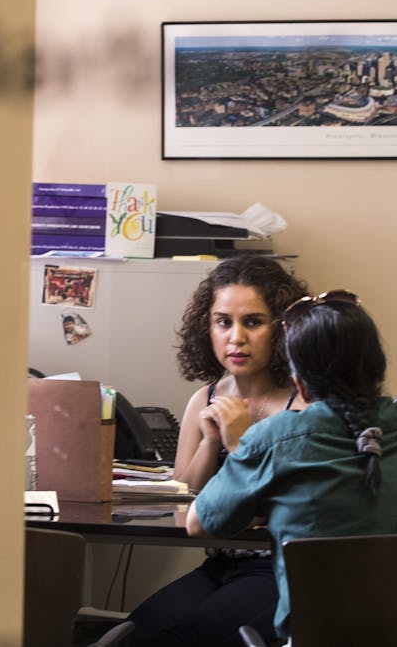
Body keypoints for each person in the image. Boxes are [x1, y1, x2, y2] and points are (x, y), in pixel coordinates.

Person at [186, 290, 397, 643]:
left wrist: (240, 453)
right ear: (379, 369)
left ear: (299, 382)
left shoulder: (275, 439)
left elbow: (198, 523)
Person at [127, 256, 308, 647]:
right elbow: (184, 501)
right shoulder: (204, 398)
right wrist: (210, 443)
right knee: (138, 634)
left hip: (282, 571)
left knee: (194, 637)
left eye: (253, 322)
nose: (235, 337)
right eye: (223, 321)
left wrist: (242, 443)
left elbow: (298, 508)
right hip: (221, 563)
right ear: (206, 327)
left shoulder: (303, 403)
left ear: (281, 330)